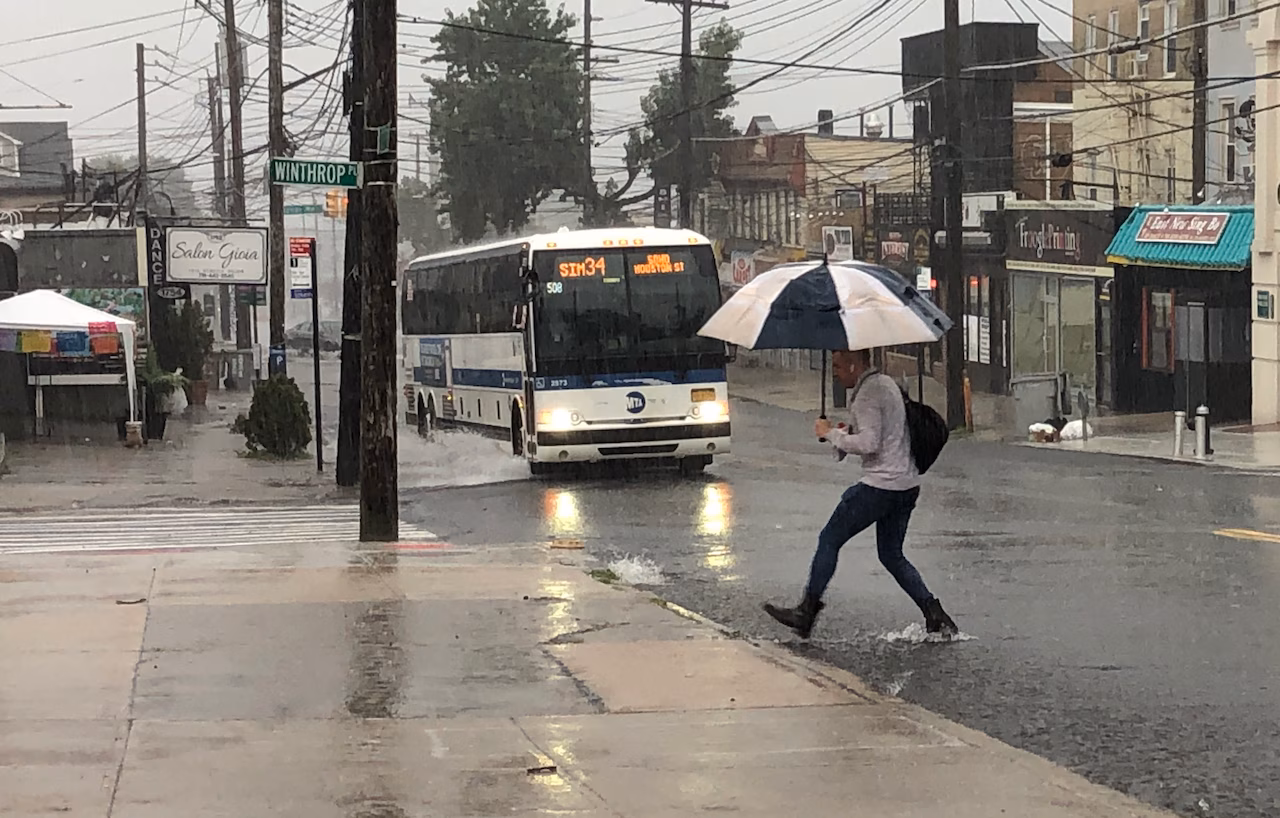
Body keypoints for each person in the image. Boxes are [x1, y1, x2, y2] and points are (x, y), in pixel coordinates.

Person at [763, 348, 958, 639]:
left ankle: (806, 611)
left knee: (829, 539)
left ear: (855, 365)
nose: (836, 373)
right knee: (891, 555)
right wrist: (845, 433)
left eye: (839, 367)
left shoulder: (868, 394)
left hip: (880, 486)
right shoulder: (885, 383)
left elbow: (869, 444)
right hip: (906, 485)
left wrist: (830, 433)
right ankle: (934, 612)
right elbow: (884, 433)